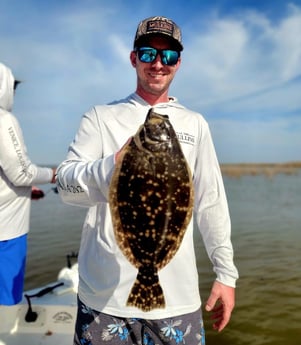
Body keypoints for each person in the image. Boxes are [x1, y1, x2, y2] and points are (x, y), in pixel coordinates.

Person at [57, 16, 239, 345]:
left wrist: (226, 273)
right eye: (147, 54)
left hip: (177, 300)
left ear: (178, 63)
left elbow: (210, 202)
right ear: (133, 58)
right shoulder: (100, 117)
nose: (158, 63)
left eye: (168, 56)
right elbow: (66, 186)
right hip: (104, 300)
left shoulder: (195, 124)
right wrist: (113, 168)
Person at [0, 62, 56, 306]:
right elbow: (22, 173)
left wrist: (25, 191)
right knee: (6, 304)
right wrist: (54, 174)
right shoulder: (4, 120)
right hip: (6, 233)